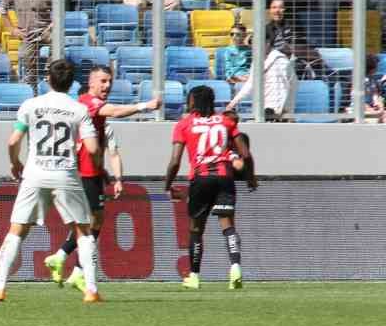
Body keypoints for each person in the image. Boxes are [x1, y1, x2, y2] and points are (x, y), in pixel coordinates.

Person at [0, 59, 103, 304]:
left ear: (48, 79)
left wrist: (15, 163)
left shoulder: (31, 105)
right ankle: (91, 290)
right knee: (83, 231)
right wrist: (99, 165)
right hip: (65, 174)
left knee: (17, 230)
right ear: (72, 83)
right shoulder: (79, 109)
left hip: (35, 174)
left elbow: (13, 141)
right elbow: (92, 147)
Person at [44, 65, 162, 291]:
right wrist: (145, 106)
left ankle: (73, 268)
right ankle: (62, 259)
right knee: (91, 222)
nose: (107, 86)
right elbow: (115, 112)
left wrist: (105, 171)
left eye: (110, 81)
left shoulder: (85, 104)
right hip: (84, 171)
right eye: (103, 81)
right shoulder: (89, 102)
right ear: (91, 82)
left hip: (92, 170)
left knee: (89, 222)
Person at [162, 85, 257, 290]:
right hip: (224, 177)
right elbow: (246, 155)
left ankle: (194, 276)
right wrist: (251, 178)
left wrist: (168, 184)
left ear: (193, 102)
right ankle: (235, 269)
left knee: (196, 229)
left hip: (201, 178)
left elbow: (175, 161)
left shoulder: (184, 124)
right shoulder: (227, 122)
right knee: (228, 226)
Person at [0, 0, 52, 83]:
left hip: (45, 30)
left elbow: (58, 7)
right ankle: (31, 92)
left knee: (58, 39)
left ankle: (50, 72)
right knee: (27, 63)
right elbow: (2, 10)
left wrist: (53, 24)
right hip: (27, 33)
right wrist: (12, 30)